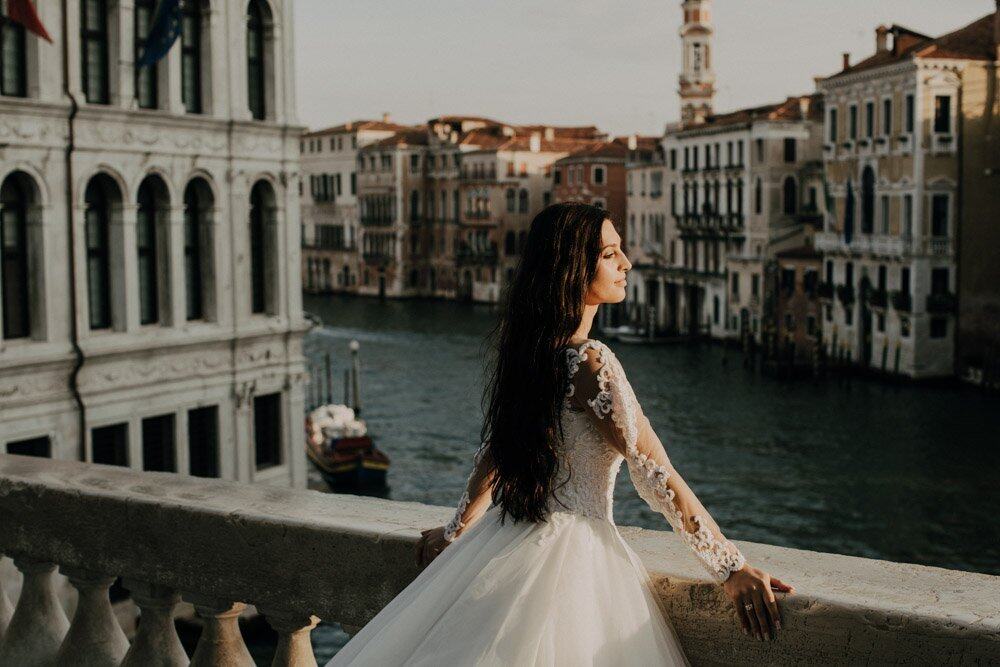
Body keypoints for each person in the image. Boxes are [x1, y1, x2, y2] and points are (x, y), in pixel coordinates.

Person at [328, 203, 794, 666]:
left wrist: (456, 531)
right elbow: (654, 472)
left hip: (506, 536)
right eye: (611, 255)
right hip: (575, 563)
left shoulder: (529, 350)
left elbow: (495, 454)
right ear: (573, 267)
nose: (626, 263)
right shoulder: (591, 361)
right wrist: (730, 567)